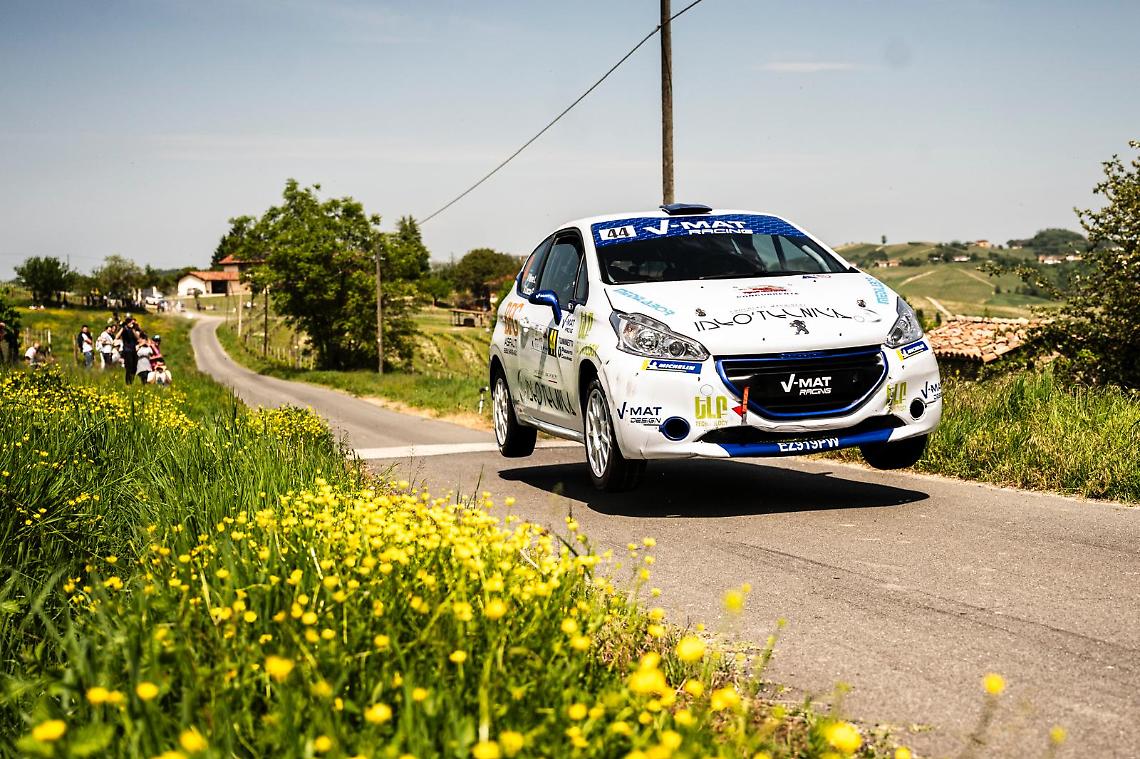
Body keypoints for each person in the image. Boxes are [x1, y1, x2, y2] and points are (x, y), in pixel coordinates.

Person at [116, 316, 140, 384]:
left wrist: (132, 329)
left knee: (134, 367)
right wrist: (122, 327)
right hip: (127, 350)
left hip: (133, 350)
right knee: (128, 367)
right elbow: (117, 336)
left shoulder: (133, 330)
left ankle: (131, 380)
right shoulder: (124, 329)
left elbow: (137, 338)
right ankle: (128, 382)